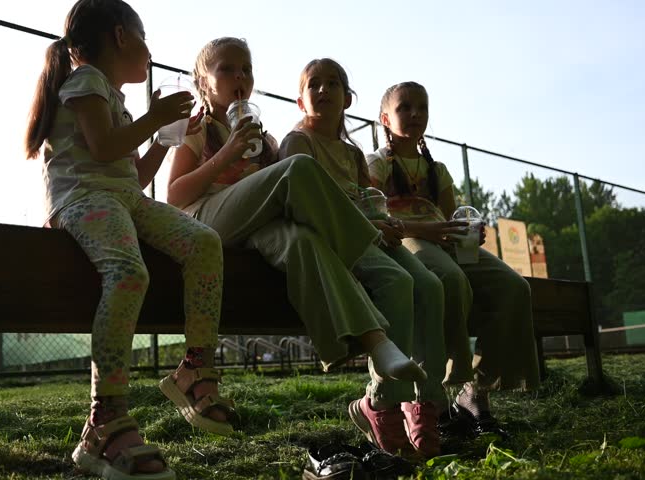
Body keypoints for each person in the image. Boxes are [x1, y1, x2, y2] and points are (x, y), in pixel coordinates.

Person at [167, 37, 426, 421]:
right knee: (300, 168)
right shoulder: (197, 127)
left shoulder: (262, 137)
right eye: (227, 68)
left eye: (246, 69)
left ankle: (378, 342)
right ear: (204, 81)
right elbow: (175, 195)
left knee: (303, 240)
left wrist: (260, 150)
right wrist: (227, 154)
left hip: (254, 228)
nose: (240, 75)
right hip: (205, 222)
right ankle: (365, 245)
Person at [25, 2, 230, 477]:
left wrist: (161, 139)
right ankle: (106, 417)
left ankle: (196, 367)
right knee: (128, 273)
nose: (147, 46)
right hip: (84, 200)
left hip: (121, 200)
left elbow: (131, 176)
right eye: (143, 34)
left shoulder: (111, 96)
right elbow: (100, 149)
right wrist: (153, 119)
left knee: (204, 243)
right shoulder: (87, 80)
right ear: (121, 36)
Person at [279, 58, 451, 458]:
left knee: (430, 284)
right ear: (300, 100)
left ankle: (425, 401)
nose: (324, 90)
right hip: (334, 239)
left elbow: (367, 201)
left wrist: (385, 222)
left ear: (348, 98)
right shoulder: (298, 142)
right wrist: (370, 224)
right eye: (314, 84)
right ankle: (382, 403)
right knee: (398, 282)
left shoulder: (354, 154)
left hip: (370, 235)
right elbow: (300, 203)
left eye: (334, 83)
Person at [367, 81, 541, 438]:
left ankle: (476, 389)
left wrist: (468, 233)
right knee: (449, 278)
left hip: (441, 241)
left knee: (514, 287)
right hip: (407, 239)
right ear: (385, 118)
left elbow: (451, 217)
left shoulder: (438, 170)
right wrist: (427, 229)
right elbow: (376, 217)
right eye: (405, 108)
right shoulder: (377, 163)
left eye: (422, 108)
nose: (415, 114)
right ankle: (435, 396)